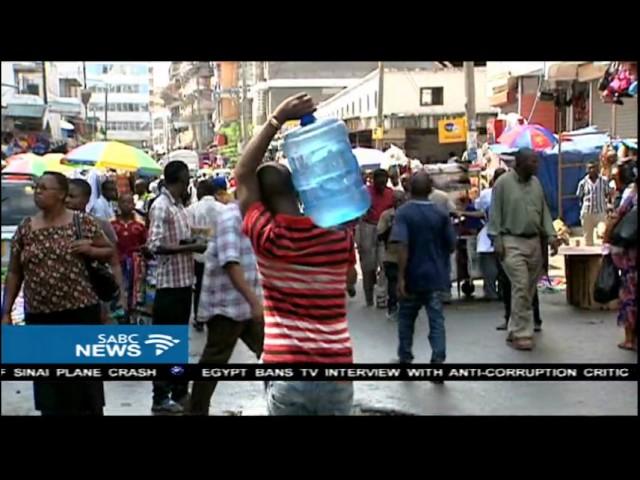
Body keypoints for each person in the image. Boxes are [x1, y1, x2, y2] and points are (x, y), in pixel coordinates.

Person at [236, 92, 357, 415]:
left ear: (262, 200)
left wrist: (276, 119)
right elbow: (349, 279)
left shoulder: (268, 238)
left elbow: (243, 174)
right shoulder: (337, 233)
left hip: (287, 368)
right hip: (337, 368)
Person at [2, 172, 116, 415]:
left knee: (85, 389)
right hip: (41, 318)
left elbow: (109, 250)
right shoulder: (26, 228)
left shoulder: (81, 223)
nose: (38, 192)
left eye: (44, 188)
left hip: (80, 316)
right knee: (49, 391)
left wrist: (90, 249)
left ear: (62, 194)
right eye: (37, 187)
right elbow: (14, 272)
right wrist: (7, 311)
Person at [188, 201, 263, 415]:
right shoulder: (231, 218)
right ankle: (195, 410)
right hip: (228, 306)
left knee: (270, 351)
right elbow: (231, 263)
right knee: (214, 360)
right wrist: (254, 302)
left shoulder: (247, 217)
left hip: (243, 305)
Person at [146, 160, 207, 414]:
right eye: (187, 179)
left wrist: (192, 240)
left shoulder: (179, 206)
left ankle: (180, 391)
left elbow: (176, 239)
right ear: (180, 180)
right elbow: (155, 245)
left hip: (183, 283)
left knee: (178, 342)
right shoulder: (161, 207)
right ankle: (160, 396)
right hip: (168, 285)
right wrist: (191, 248)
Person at [488, 148, 561, 351]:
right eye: (533, 162)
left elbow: (543, 211)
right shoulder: (502, 184)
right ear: (519, 163)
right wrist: (497, 240)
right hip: (511, 241)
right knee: (520, 285)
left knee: (527, 290)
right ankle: (522, 333)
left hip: (534, 242)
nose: (537, 166)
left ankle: (514, 329)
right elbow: (494, 214)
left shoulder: (536, 184)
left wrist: (552, 236)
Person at [390, 172, 456, 372]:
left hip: (412, 276)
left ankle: (405, 356)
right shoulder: (441, 213)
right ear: (430, 189)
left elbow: (402, 245)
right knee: (436, 320)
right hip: (436, 276)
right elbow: (451, 245)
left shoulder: (403, 213)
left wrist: (400, 277)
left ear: (409, 189)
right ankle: (438, 358)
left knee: (406, 319)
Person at [67, 179, 127, 320]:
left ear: (86, 199)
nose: (67, 200)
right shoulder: (55, 225)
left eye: (72, 196)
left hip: (96, 294)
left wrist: (121, 295)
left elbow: (114, 262)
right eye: (65, 196)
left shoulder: (100, 225)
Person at [186, 179, 224, 332]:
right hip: (219, 254)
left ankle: (199, 318)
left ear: (199, 192)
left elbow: (188, 232)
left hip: (199, 254)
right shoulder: (223, 209)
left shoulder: (191, 210)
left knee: (200, 286)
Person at [604, 178, 637, 351]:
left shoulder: (632, 196)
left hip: (631, 256)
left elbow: (617, 216)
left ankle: (630, 339)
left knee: (630, 296)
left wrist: (606, 241)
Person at [357, 168, 394, 306]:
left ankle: (380, 296)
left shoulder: (390, 193)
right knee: (368, 265)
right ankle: (368, 297)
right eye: (379, 183)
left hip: (383, 230)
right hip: (368, 227)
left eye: (384, 183)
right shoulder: (365, 192)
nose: (382, 186)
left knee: (384, 263)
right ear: (374, 181)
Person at [111, 193, 148, 321]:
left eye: (130, 202)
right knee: (119, 289)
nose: (127, 205)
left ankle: (132, 316)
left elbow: (145, 243)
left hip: (136, 264)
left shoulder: (139, 225)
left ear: (133, 204)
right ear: (119, 204)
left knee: (135, 291)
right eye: (124, 202)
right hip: (117, 262)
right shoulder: (112, 224)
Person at [475, 168, 507, 301]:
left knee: (489, 267)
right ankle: (503, 292)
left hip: (489, 234)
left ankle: (491, 292)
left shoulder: (486, 194)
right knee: (504, 267)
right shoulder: (511, 193)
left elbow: (478, 207)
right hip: (507, 234)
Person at [377, 190, 406, 321]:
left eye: (401, 200)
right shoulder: (386, 215)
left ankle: (406, 307)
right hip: (391, 255)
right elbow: (380, 236)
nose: (398, 203)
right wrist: (391, 226)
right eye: (396, 200)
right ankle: (392, 306)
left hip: (407, 255)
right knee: (393, 282)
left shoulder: (409, 215)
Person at [576, 163, 610, 246]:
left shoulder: (604, 181)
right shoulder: (583, 183)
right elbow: (580, 196)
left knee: (603, 233)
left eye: (594, 168)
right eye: (590, 168)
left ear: (598, 169)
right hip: (587, 213)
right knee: (588, 239)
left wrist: (607, 207)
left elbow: (607, 194)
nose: (592, 170)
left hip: (600, 212)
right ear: (586, 170)